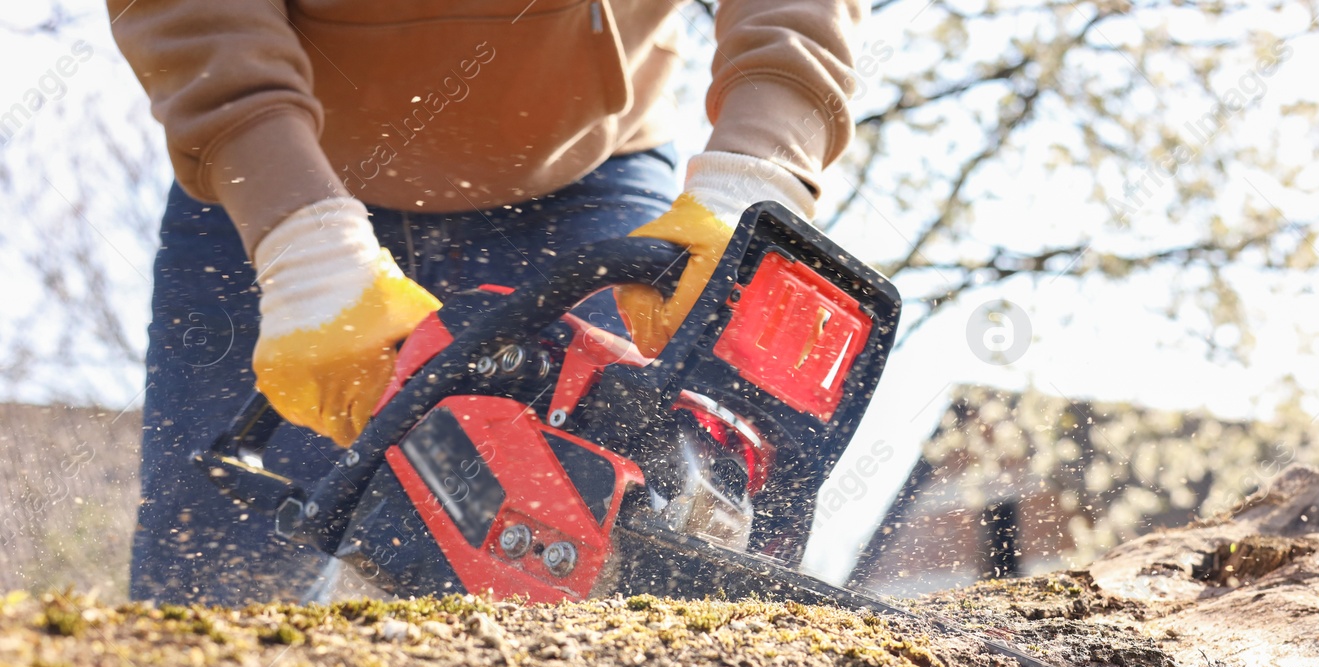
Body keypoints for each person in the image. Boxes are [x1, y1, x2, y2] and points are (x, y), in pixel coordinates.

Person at [107, 0, 863, 604]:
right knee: (211, 582)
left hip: (588, 175)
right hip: (271, 171)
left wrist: (755, 175)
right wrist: (296, 238)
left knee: (617, 537)